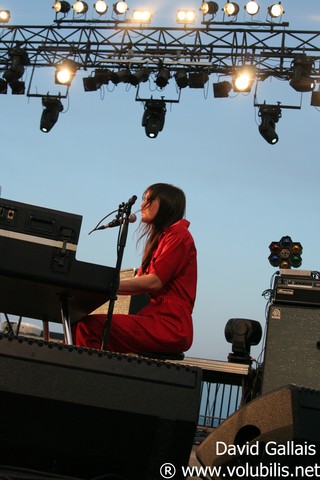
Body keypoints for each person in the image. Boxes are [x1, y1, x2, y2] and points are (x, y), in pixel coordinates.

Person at [74, 183, 197, 354]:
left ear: (166, 203)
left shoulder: (179, 236)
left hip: (170, 325)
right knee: (75, 328)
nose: (141, 205)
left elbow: (154, 281)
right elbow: (140, 281)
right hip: (154, 317)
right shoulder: (162, 238)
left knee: (89, 328)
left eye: (148, 199)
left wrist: (106, 284)